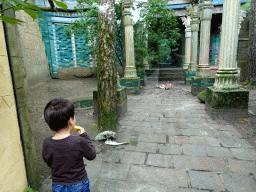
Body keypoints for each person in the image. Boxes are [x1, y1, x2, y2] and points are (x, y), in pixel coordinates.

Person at [42, 98, 96, 192]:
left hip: (58, 185)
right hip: (78, 184)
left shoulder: (46, 143)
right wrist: (85, 136)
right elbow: (92, 155)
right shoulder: (79, 141)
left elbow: (47, 160)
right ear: (71, 120)